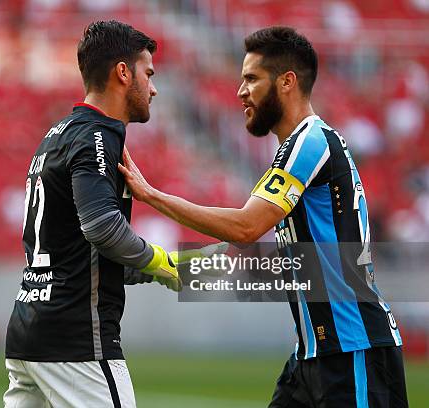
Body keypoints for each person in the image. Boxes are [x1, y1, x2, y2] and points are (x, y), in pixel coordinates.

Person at [119, 26, 408, 407]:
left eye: (252, 79)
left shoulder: (309, 142)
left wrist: (152, 196)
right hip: (314, 354)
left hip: (352, 350)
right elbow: (273, 252)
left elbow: (246, 226)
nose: (240, 92)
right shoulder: (302, 148)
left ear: (287, 82)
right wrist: (172, 268)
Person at [3, 20, 185, 408]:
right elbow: (101, 228)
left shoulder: (58, 134)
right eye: (148, 74)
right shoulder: (98, 135)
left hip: (28, 332)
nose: (153, 88)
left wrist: (155, 270)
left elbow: (79, 248)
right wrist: (160, 260)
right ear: (123, 72)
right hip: (77, 341)